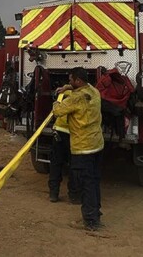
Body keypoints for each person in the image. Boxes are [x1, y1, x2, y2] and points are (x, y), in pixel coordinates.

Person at [52, 67, 104, 231]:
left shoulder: (76, 99)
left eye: (71, 80)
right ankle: (96, 213)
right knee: (94, 181)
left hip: (82, 148)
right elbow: (78, 91)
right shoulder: (94, 92)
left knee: (86, 183)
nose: (69, 82)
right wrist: (67, 88)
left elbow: (57, 111)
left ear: (78, 81)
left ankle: (90, 221)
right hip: (96, 145)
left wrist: (57, 99)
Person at [47, 85, 78, 204]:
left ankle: (53, 193)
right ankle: (74, 195)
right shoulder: (79, 96)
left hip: (58, 132)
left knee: (56, 164)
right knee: (74, 165)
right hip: (73, 134)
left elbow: (56, 110)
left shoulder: (61, 94)